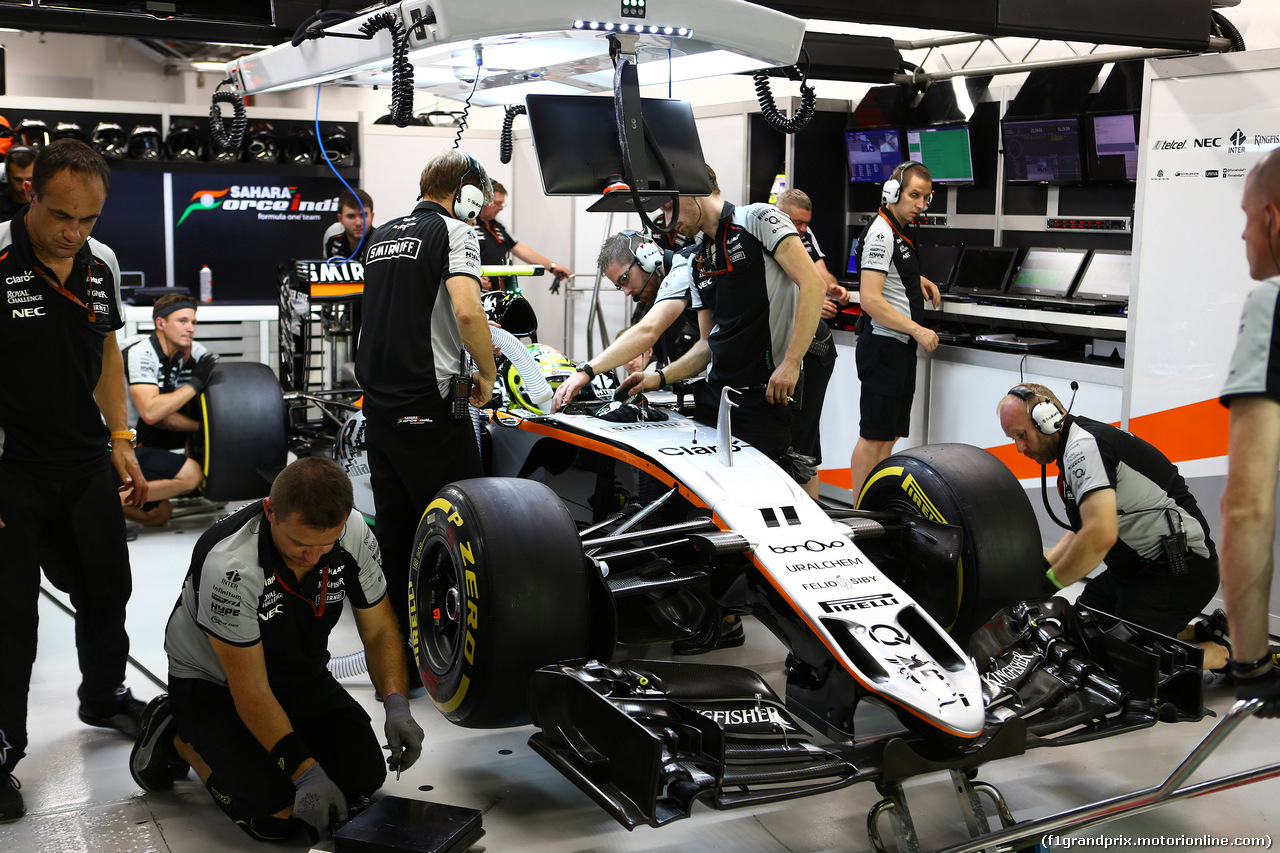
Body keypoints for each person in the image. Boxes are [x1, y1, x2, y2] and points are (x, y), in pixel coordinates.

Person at [128, 457, 424, 842]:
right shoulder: (230, 564)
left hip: (297, 669)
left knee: (363, 778)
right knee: (278, 818)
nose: (313, 557)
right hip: (214, 683)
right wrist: (307, 773)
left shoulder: (353, 533)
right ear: (270, 511)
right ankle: (178, 736)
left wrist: (397, 705)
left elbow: (381, 628)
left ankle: (273, 746)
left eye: (326, 544)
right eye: (300, 543)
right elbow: (249, 689)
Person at [0, 139, 150, 822]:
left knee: (105, 584)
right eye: (62, 216)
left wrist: (120, 436)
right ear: (29, 194)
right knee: (10, 620)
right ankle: (0, 748)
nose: (73, 233)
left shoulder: (100, 263)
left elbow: (106, 346)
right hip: (11, 467)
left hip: (84, 458)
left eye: (88, 220)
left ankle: (105, 693)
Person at [354, 150, 498, 690]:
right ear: (464, 194)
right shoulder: (454, 233)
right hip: (432, 404)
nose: (478, 212)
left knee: (394, 534)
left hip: (382, 406)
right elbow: (467, 311)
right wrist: (486, 370)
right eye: (478, 201)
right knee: (460, 531)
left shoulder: (383, 234)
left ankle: (400, 662)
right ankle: (458, 650)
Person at [997, 383, 1227, 669]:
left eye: (1022, 435)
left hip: (1178, 571)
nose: (1020, 448)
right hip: (1134, 572)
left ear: (1048, 419)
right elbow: (1081, 531)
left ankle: (1224, 654)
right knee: (1080, 635)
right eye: (1013, 439)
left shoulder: (1084, 448)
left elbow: (1098, 536)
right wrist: (1035, 575)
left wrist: (1047, 585)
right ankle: (1202, 632)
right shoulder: (1074, 449)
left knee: (1125, 662)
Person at [1219, 147, 1280, 713]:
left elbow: (1247, 508)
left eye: (1246, 216)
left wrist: (1252, 661)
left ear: (1272, 218)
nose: (1244, 235)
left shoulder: (1272, 302)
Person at [848, 161, 942, 500]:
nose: (920, 204)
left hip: (898, 348)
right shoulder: (881, 232)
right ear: (892, 192)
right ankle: (862, 511)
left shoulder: (897, 229)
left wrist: (915, 281)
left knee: (888, 437)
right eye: (914, 195)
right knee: (874, 437)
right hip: (884, 346)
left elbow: (887, 273)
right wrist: (917, 329)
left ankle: (876, 504)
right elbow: (871, 300)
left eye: (925, 198)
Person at [550, 230, 703, 411]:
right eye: (619, 286)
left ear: (647, 257)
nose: (627, 292)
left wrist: (586, 371)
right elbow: (707, 346)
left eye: (624, 279)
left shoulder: (685, 266)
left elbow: (647, 331)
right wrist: (659, 378)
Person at [776, 189, 850, 499]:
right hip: (783, 347)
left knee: (803, 441)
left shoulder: (804, 234)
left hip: (813, 351)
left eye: (807, 223)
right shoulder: (768, 236)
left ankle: (811, 517)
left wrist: (831, 288)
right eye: (798, 222)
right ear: (780, 217)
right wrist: (810, 301)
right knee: (787, 439)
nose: (803, 229)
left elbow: (819, 275)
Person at [121, 292, 218, 525]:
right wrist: (195, 384)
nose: (190, 328)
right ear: (160, 323)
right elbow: (152, 412)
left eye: (193, 322)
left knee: (160, 513)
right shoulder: (141, 352)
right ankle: (98, 500)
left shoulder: (177, 354)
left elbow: (162, 415)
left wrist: (203, 427)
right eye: (182, 321)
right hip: (108, 446)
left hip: (132, 440)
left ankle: (106, 498)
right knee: (192, 474)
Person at [474, 180, 571, 290]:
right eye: (497, 203)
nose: (501, 208)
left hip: (498, 291)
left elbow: (519, 249)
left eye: (502, 203)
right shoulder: (468, 222)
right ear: (483, 201)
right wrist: (472, 278)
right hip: (476, 291)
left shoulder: (497, 223)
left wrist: (552, 267)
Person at [323, 188, 374, 263]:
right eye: (351, 216)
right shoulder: (333, 242)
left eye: (363, 216)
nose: (358, 223)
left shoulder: (381, 244)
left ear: (372, 217)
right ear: (340, 219)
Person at [0, 146, 34, 223]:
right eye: (17, 179)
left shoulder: (47, 203)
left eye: (29, 179)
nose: (23, 187)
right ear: (7, 176)